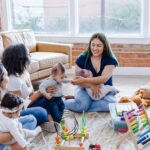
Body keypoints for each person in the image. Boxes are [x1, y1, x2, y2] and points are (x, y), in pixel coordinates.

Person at [64, 33, 119, 112]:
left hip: (104, 90)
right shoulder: (82, 58)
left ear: (104, 47)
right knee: (82, 106)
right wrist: (90, 85)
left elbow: (103, 79)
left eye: (99, 45)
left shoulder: (110, 59)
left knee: (111, 105)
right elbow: (76, 80)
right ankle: (62, 103)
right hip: (84, 88)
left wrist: (85, 80)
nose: (95, 48)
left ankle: (83, 103)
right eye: (93, 45)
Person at [0, 63, 37, 150]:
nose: (8, 78)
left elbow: (18, 104)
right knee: (17, 133)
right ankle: (9, 146)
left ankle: (17, 140)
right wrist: (14, 132)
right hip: (4, 130)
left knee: (31, 119)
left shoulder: (3, 90)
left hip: (8, 122)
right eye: (6, 75)